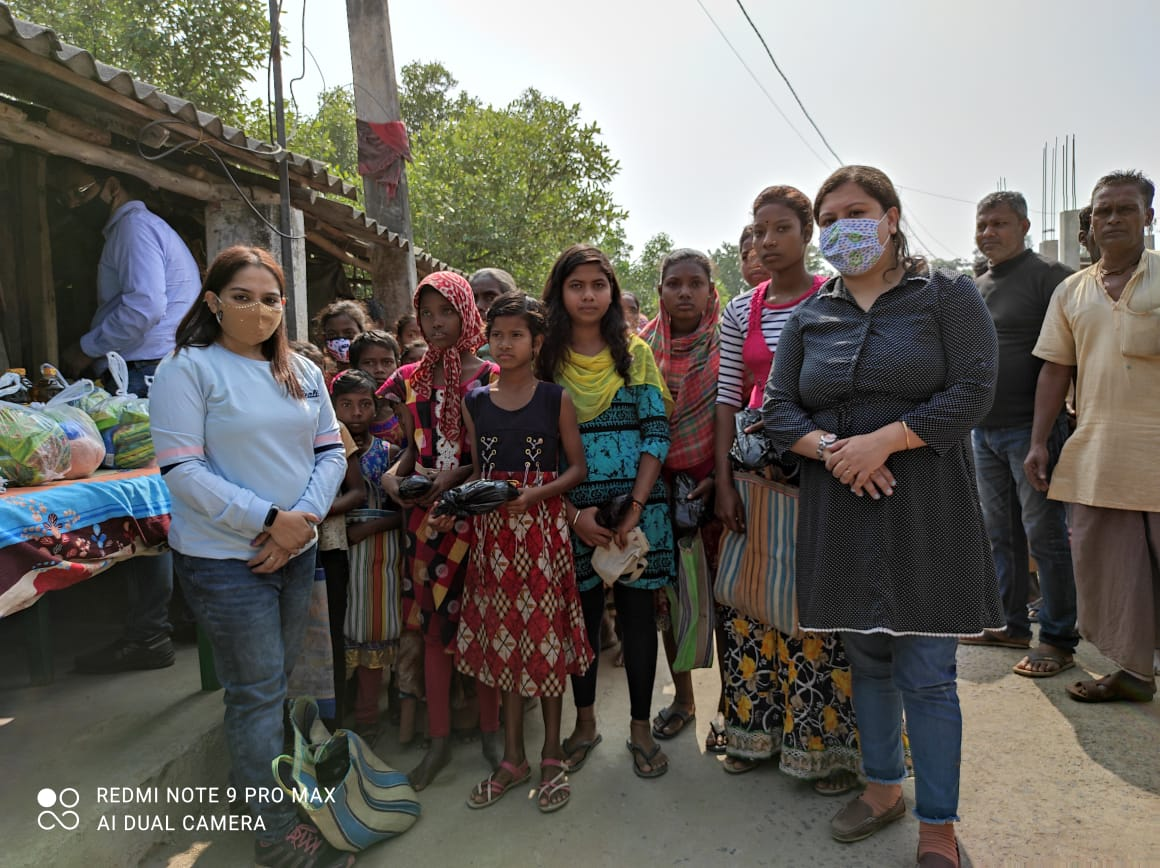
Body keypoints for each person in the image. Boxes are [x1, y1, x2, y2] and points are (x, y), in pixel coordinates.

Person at [764, 166, 1001, 867]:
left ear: (892, 217)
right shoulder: (812, 314)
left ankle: (938, 826)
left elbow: (975, 390)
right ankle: (882, 788)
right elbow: (777, 410)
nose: (842, 228)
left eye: (856, 212)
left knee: (926, 669)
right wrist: (837, 450)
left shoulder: (948, 296)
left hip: (926, 508)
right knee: (865, 658)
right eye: (830, 218)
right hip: (839, 508)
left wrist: (887, 440)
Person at [150, 246, 351, 867]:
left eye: (270, 299)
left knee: (277, 683)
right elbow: (182, 470)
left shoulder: (301, 372)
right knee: (258, 693)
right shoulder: (188, 368)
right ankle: (275, 833)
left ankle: (277, 798)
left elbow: (331, 453)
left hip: (293, 549)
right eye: (242, 297)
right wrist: (267, 521)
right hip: (223, 560)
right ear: (213, 302)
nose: (258, 310)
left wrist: (301, 523)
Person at [714, 187, 858, 792]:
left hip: (823, 471)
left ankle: (827, 749)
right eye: (758, 230)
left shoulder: (839, 300)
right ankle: (755, 732)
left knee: (815, 609)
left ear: (808, 234)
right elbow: (725, 397)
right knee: (752, 602)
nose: (766, 242)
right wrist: (722, 482)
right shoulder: (740, 311)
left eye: (781, 229)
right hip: (754, 474)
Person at [436, 291, 592, 812]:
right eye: (497, 334)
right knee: (504, 650)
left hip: (543, 538)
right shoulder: (475, 400)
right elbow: (481, 473)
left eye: (516, 334)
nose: (505, 343)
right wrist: (455, 503)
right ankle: (512, 758)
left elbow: (576, 469)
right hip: (492, 544)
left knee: (545, 647)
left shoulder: (556, 399)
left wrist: (535, 495)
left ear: (538, 341)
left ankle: (551, 754)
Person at [537, 244, 674, 779]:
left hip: (639, 515)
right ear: (560, 293)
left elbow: (655, 432)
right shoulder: (546, 357)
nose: (589, 295)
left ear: (613, 293)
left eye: (599, 284)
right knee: (582, 622)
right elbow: (541, 443)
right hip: (574, 516)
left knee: (639, 621)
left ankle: (640, 728)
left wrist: (635, 508)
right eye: (577, 285)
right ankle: (586, 722)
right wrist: (574, 514)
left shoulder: (634, 353)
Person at [60, 162, 201, 675]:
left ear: (113, 186)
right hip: (152, 371)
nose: (74, 204)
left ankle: (149, 634)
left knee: (148, 501)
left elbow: (143, 306)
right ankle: (182, 619)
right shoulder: (141, 228)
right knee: (173, 495)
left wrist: (84, 347)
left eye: (81, 191)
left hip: (145, 375)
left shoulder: (133, 227)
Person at [1026, 169, 1159, 705]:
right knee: (1107, 569)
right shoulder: (1072, 291)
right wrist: (1039, 441)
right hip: (1100, 453)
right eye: (1102, 211)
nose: (1112, 219)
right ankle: (1131, 672)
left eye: (1125, 209)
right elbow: (1055, 370)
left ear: (1149, 217)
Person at [380, 272, 501, 789]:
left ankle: (495, 735)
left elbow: (495, 454)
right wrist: (392, 477)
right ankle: (438, 742)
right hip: (423, 520)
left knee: (485, 624)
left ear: (467, 313)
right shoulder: (409, 377)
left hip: (477, 517)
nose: (435, 324)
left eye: (445, 312)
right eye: (426, 314)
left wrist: (459, 476)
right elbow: (412, 446)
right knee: (431, 628)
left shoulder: (493, 373)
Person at [960, 191, 1079, 678]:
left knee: (1045, 535)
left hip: (1034, 433)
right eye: (982, 224)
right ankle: (1009, 623)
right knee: (998, 533)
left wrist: (1044, 435)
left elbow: (1070, 352)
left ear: (1025, 227)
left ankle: (1057, 636)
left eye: (1000, 224)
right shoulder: (977, 282)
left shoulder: (1052, 278)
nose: (988, 232)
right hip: (984, 432)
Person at [639, 249, 729, 754]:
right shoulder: (640, 348)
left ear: (711, 291)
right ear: (661, 292)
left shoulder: (726, 345)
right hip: (656, 489)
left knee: (724, 598)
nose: (685, 292)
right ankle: (686, 700)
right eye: (675, 283)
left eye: (696, 283)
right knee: (668, 602)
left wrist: (721, 476)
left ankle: (730, 706)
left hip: (716, 487)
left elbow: (738, 415)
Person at [331, 369, 404, 741]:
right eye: (346, 405)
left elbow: (406, 511)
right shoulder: (325, 452)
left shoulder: (389, 455)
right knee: (339, 633)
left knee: (372, 630)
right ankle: (339, 713)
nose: (356, 413)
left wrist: (367, 529)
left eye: (364, 404)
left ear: (376, 408)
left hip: (378, 556)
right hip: (336, 555)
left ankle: (368, 717)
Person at [350, 329, 404, 445]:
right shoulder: (348, 412)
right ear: (355, 367)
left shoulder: (407, 409)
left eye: (387, 362)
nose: (379, 370)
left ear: (398, 365)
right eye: (369, 363)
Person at [315, 299, 368, 370]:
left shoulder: (377, 374)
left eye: (348, 333)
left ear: (362, 332)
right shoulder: (321, 376)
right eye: (332, 334)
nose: (341, 340)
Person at [739, 224, 772, 289]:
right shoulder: (739, 299)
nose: (754, 264)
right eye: (745, 257)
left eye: (759, 255)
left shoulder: (796, 297)